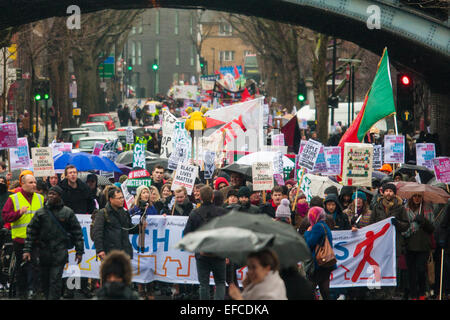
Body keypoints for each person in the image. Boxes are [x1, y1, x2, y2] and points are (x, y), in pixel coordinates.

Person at [23, 186, 84, 300]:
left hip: (59, 251)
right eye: (49, 194)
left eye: (54, 194)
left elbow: (77, 233)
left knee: (55, 280)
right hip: (43, 252)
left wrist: (79, 251)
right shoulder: (41, 213)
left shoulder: (67, 212)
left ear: (59, 196)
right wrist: (27, 250)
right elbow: (31, 232)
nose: (51, 196)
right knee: (44, 281)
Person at [1, 174, 44, 299]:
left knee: (36, 265)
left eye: (35, 182)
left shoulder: (40, 198)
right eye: (30, 182)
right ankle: (22, 292)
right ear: (23, 184)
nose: (34, 185)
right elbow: (6, 217)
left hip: (36, 239)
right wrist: (18, 213)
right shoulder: (14, 198)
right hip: (20, 239)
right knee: (22, 267)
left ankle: (35, 291)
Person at [183, 186, 227, 300]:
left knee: (204, 285)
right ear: (213, 196)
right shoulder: (222, 212)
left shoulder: (194, 213)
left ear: (200, 197)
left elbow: (187, 234)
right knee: (221, 283)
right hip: (220, 253)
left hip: (202, 254)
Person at [93, 187, 143, 261]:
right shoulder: (103, 213)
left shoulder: (125, 213)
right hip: (110, 253)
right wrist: (100, 250)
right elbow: (97, 233)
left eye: (122, 197)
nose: (122, 200)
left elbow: (129, 228)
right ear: (111, 199)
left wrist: (140, 227)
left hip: (124, 253)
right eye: (119, 198)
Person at [402, 194, 435, 300]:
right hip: (409, 245)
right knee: (411, 272)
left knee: (421, 270)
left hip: (423, 246)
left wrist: (423, 221)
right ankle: (413, 294)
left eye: (419, 196)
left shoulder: (427, 209)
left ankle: (422, 292)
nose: (417, 198)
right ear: (411, 197)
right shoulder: (405, 209)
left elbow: (432, 228)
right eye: (414, 196)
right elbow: (403, 226)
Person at [303, 206, 336, 300]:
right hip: (326, 263)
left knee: (309, 290)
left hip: (318, 264)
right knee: (325, 290)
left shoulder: (317, 227)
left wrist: (307, 232)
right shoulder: (324, 225)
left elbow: (310, 243)